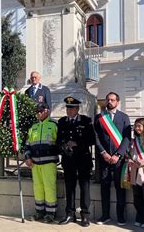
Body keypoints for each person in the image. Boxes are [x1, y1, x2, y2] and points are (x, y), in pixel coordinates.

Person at [94, 92, 131, 225]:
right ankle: (105, 215)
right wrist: (103, 153)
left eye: (112, 100)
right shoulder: (99, 117)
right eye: (108, 99)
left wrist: (118, 154)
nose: (109, 102)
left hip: (118, 160)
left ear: (117, 102)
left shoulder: (124, 117)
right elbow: (96, 137)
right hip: (104, 158)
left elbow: (127, 138)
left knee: (119, 187)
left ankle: (120, 216)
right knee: (104, 187)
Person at [57, 96, 95, 227]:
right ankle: (70, 214)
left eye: (72, 108)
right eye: (67, 108)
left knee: (84, 188)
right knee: (69, 187)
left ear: (77, 109)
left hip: (83, 159)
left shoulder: (85, 120)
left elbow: (91, 139)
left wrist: (76, 143)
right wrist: (64, 146)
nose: (69, 111)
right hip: (69, 160)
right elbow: (58, 140)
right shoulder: (62, 121)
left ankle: (85, 215)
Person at [24, 102, 59, 223]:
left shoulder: (54, 125)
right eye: (37, 112)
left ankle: (50, 213)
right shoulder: (33, 127)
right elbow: (27, 145)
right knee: (38, 188)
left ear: (47, 111)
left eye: (41, 111)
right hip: (34, 163)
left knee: (49, 188)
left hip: (49, 163)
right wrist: (27, 157)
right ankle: (39, 212)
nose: (39, 113)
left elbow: (60, 143)